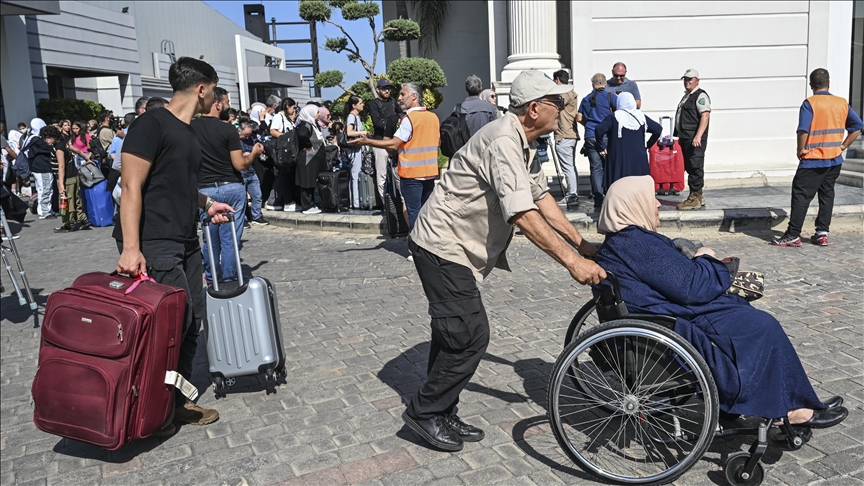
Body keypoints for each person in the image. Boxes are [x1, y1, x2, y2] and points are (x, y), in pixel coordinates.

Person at [391, 71, 606, 452]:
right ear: (535, 109)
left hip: (456, 249)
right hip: (442, 246)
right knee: (470, 336)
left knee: (451, 334)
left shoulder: (524, 141)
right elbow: (522, 213)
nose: (562, 109)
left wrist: (581, 242)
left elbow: (540, 198)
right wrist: (573, 262)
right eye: (556, 104)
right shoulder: (505, 140)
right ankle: (424, 412)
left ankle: (442, 410)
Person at [593, 175, 848, 426]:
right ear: (632, 205)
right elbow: (691, 287)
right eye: (651, 199)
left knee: (751, 318)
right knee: (761, 326)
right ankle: (791, 409)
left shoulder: (624, 241)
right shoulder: (635, 242)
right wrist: (706, 257)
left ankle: (793, 400)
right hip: (678, 321)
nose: (658, 204)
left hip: (671, 313)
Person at [115, 57, 235, 438]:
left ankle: (174, 403)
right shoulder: (150, 124)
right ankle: (149, 407)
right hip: (155, 241)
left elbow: (176, 184)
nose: (215, 97)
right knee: (168, 326)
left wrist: (206, 204)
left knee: (192, 321)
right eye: (214, 89)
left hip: (185, 239)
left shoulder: (188, 131)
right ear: (202, 88)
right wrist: (131, 248)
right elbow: (131, 187)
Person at [773, 70, 863, 246]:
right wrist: (843, 146)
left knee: (800, 195)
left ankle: (793, 234)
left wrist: (800, 149)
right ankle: (822, 233)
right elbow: (858, 126)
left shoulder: (810, 103)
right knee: (827, 194)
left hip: (813, 159)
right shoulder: (841, 103)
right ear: (828, 83)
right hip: (834, 159)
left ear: (811, 85)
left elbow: (803, 130)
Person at [192, 86, 263, 284]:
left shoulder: (190, 127)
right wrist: (254, 154)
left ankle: (212, 276)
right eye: (227, 102)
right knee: (230, 238)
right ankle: (230, 278)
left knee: (209, 238)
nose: (228, 106)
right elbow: (239, 164)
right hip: (231, 186)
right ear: (217, 104)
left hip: (204, 190)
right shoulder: (227, 130)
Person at [349, 83, 439, 235]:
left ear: (414, 97)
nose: (399, 98)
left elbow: (394, 143)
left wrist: (368, 141)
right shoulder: (433, 117)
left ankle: (416, 249)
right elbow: (436, 143)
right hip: (429, 174)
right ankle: (428, 247)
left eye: (403, 94)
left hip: (411, 175)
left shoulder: (409, 119)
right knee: (427, 213)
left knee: (414, 213)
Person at [594, 92, 662, 191]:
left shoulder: (614, 116)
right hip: (639, 158)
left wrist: (601, 147)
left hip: (620, 157)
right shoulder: (641, 116)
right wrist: (647, 145)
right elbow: (658, 129)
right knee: (638, 187)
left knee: (619, 187)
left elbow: (599, 130)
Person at [577, 73, 618, 208]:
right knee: (609, 166)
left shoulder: (586, 99)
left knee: (595, 169)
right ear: (605, 83)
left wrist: (589, 125)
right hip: (606, 136)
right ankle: (610, 196)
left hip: (590, 136)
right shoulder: (610, 97)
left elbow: (579, 118)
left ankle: (598, 199)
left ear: (592, 84)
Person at [674, 68, 711, 210]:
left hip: (694, 139)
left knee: (695, 165)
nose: (687, 82)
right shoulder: (688, 96)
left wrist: (698, 135)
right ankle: (698, 196)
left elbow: (705, 115)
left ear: (697, 81)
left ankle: (694, 197)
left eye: (690, 79)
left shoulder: (700, 96)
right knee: (690, 166)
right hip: (686, 138)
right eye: (685, 79)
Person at [368, 78, 403, 202]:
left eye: (388, 88)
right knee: (382, 174)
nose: (387, 90)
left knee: (397, 172)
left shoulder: (393, 101)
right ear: (378, 90)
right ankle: (385, 204)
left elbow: (401, 115)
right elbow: (376, 122)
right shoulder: (374, 103)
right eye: (384, 88)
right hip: (380, 142)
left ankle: (399, 200)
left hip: (394, 141)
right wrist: (391, 126)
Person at [52, 124, 91, 233]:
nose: (47, 141)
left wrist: (61, 184)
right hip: (73, 175)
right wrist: (87, 159)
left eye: (48, 138)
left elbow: (61, 166)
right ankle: (83, 219)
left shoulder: (59, 148)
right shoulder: (65, 144)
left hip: (66, 178)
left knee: (66, 200)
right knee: (76, 198)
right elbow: (78, 151)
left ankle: (69, 224)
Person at [264, 97, 298, 212]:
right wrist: (285, 138)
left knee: (283, 176)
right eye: (293, 107)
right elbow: (273, 131)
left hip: (288, 151)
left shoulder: (288, 119)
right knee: (284, 176)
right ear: (287, 106)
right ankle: (284, 201)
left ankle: (274, 201)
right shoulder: (279, 117)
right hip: (283, 151)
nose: (294, 110)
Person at [552, 70, 580, 206]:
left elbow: (557, 103)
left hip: (564, 134)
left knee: (568, 167)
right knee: (571, 166)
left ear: (557, 80)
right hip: (570, 134)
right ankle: (573, 193)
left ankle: (572, 195)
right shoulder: (571, 93)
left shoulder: (565, 93)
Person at [295, 104, 328, 215]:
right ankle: (307, 206)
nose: (319, 114)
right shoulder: (306, 124)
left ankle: (311, 204)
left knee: (311, 182)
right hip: (308, 159)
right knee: (306, 182)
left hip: (313, 159)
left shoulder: (312, 124)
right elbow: (303, 134)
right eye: (317, 112)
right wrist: (308, 145)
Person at [20, 118, 57, 219]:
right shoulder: (38, 140)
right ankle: (45, 211)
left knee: (42, 189)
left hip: (36, 168)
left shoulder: (31, 138)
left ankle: (44, 210)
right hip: (42, 168)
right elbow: (51, 148)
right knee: (46, 189)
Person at [238, 121, 267, 226]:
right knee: (242, 198)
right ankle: (243, 219)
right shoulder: (235, 141)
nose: (247, 137)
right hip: (240, 172)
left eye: (249, 135)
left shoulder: (250, 139)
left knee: (257, 195)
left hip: (251, 171)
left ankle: (257, 216)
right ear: (239, 131)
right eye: (245, 135)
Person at [343, 95, 368, 209]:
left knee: (356, 174)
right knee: (355, 174)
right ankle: (355, 202)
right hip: (354, 150)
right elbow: (349, 132)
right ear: (354, 105)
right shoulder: (352, 117)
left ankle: (357, 200)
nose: (362, 105)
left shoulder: (356, 117)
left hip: (358, 148)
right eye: (360, 103)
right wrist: (361, 132)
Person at [108, 113, 137, 194]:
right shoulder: (136, 134)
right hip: (132, 171)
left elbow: (112, 153)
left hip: (118, 172)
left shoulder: (117, 136)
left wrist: (120, 161)